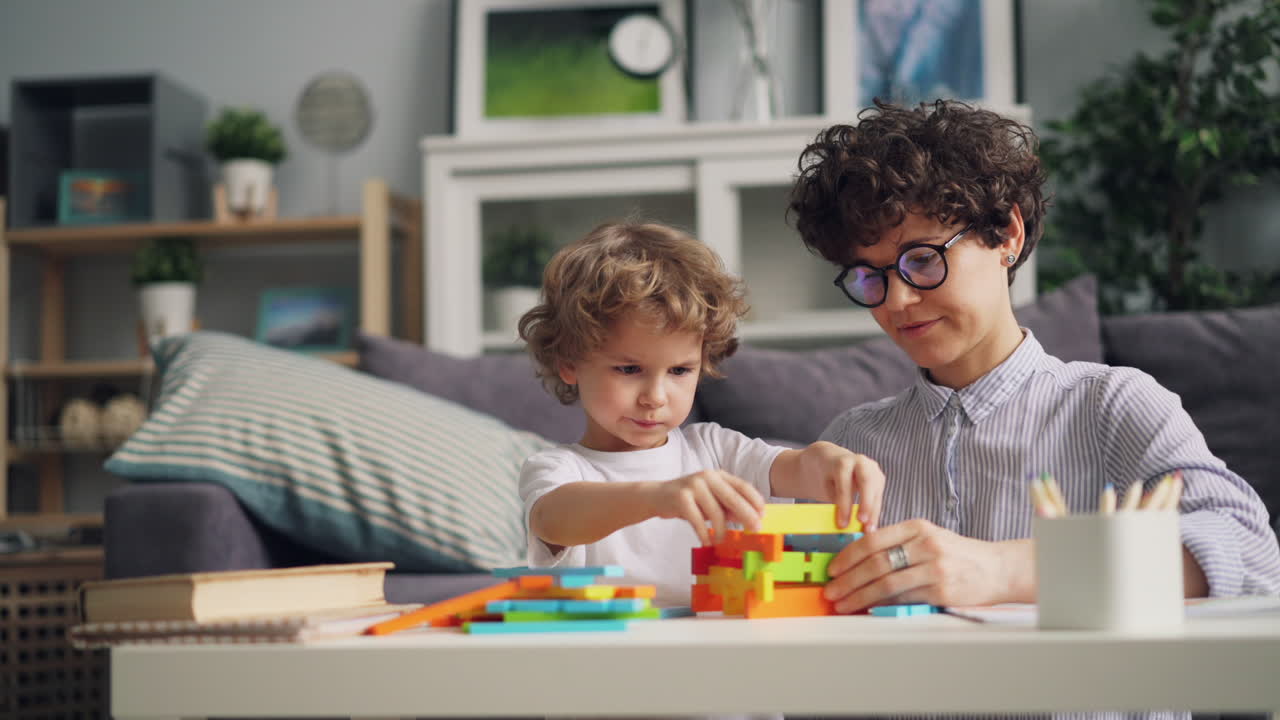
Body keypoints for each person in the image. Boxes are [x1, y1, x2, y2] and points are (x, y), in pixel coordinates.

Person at [786, 99, 1280, 617]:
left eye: (923, 259)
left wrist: (1002, 571)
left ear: (1007, 235)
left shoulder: (1111, 406)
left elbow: (1253, 555)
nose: (896, 302)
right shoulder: (850, 443)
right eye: (870, 276)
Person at [517, 221, 886, 607]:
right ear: (568, 362)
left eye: (679, 371)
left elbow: (794, 469)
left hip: (714, 652)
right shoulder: (559, 469)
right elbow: (553, 518)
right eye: (629, 370)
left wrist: (828, 461)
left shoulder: (714, 450)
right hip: (612, 659)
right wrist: (658, 497)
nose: (655, 397)